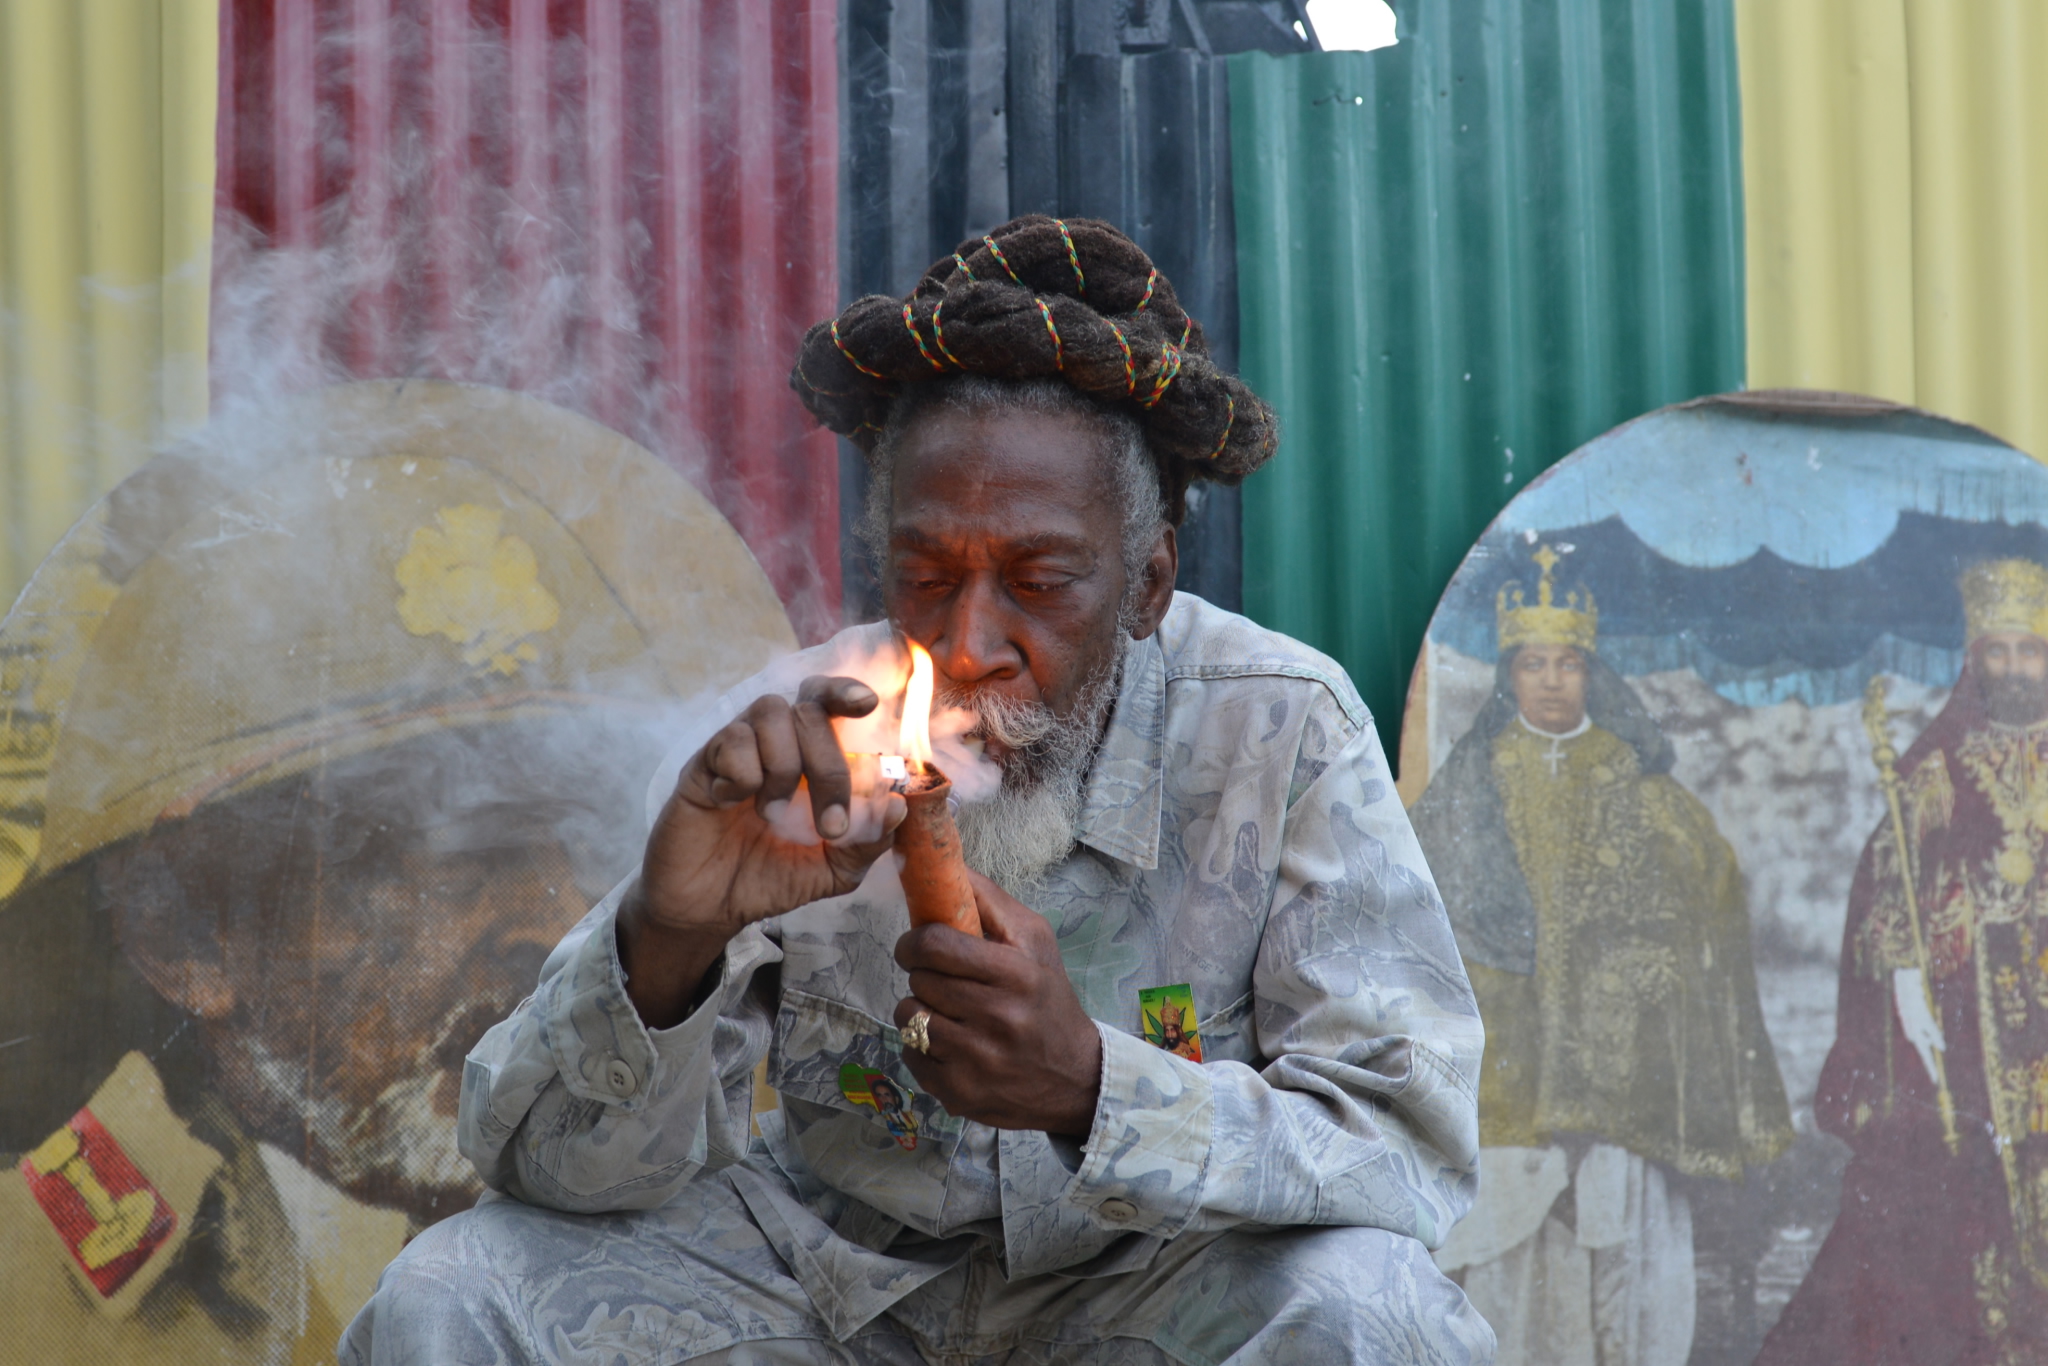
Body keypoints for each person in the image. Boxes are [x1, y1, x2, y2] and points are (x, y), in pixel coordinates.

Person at [345, 216, 1493, 1363]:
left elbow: (1408, 1151)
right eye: (924, 575)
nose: (967, 643)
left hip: (1151, 1290)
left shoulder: (1279, 727)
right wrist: (668, 939)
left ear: (1146, 582)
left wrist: (1092, 1086)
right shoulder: (779, 750)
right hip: (821, 1294)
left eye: (1040, 581)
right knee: (453, 1291)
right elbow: (550, 1168)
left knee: (1371, 1310)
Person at [0, 382, 794, 1363]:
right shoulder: (27, 1275)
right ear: (181, 935)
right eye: (459, 850)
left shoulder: (738, 1214)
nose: (551, 925)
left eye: (588, 842)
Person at [1411, 546, 1790, 1366]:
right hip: (1507, 1077)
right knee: (1511, 1275)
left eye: (1569, 663)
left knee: (1627, 1259)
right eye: (1533, 663)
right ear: (1510, 675)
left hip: (1621, 1078)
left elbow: (1708, 917)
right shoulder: (1464, 789)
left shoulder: (1647, 794)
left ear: (1592, 673)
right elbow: (1417, 921)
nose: (1550, 680)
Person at [1758, 558, 2048, 1365]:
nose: (2017, 667)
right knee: (1967, 1209)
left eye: (2032, 650)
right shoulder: (1935, 773)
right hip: (1971, 1034)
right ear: (1974, 659)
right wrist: (1935, 940)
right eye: (2000, 650)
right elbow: (1891, 904)